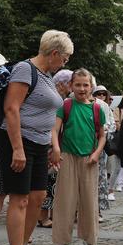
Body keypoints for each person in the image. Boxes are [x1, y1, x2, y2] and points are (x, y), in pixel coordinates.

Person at [0, 29, 72, 245]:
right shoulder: (24, 70)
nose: (65, 63)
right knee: (20, 198)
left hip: (39, 143)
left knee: (38, 196)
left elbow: (49, 114)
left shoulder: (47, 75)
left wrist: (53, 145)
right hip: (19, 140)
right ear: (54, 54)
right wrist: (17, 148)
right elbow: (11, 108)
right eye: (65, 58)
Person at [51, 69, 106, 245]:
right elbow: (55, 129)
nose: (82, 88)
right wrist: (56, 149)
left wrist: (97, 153)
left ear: (91, 87)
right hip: (68, 157)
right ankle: (63, 244)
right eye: (78, 85)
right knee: (65, 201)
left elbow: (102, 135)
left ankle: (89, 241)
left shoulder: (97, 109)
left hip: (89, 159)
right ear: (71, 86)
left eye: (86, 85)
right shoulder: (65, 105)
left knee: (89, 202)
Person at [37, 68, 73, 229]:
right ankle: (42, 216)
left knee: (52, 181)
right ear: (62, 84)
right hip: (49, 144)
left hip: (54, 142)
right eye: (70, 83)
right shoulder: (57, 100)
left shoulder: (60, 100)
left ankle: (48, 215)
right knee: (46, 180)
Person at [92, 84, 114, 222]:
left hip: (100, 147)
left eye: (103, 94)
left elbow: (111, 124)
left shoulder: (105, 107)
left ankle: (97, 210)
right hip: (83, 145)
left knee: (99, 179)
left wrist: (103, 132)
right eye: (98, 93)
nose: (101, 96)